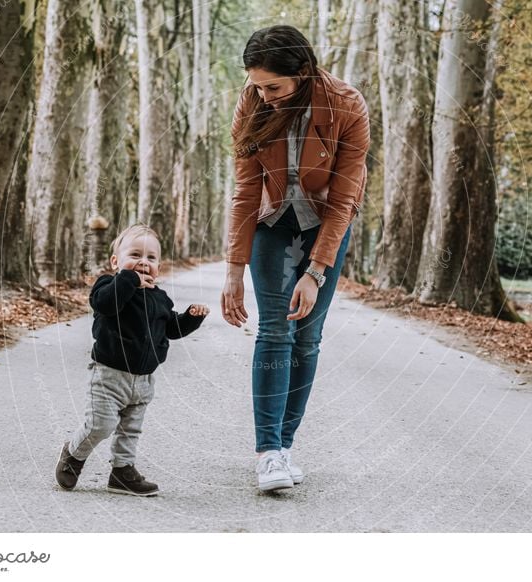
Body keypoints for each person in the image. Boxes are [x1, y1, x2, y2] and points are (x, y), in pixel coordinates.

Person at [221, 25, 370, 491]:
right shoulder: (251, 101)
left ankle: (284, 447)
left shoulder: (348, 105)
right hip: (272, 219)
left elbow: (345, 198)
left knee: (307, 338)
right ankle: (267, 453)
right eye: (256, 85)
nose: (262, 96)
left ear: (303, 72)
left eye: (273, 87)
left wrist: (316, 272)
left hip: (326, 223)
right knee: (275, 329)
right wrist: (233, 270)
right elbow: (246, 189)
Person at [56, 224, 209, 496]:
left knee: (131, 430)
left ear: (158, 267)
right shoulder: (109, 285)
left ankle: (122, 472)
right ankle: (73, 454)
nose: (143, 262)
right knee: (100, 425)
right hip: (108, 376)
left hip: (144, 381)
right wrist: (128, 280)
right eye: (135, 255)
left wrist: (191, 318)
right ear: (115, 261)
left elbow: (171, 329)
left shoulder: (159, 298)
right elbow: (104, 304)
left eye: (151, 258)